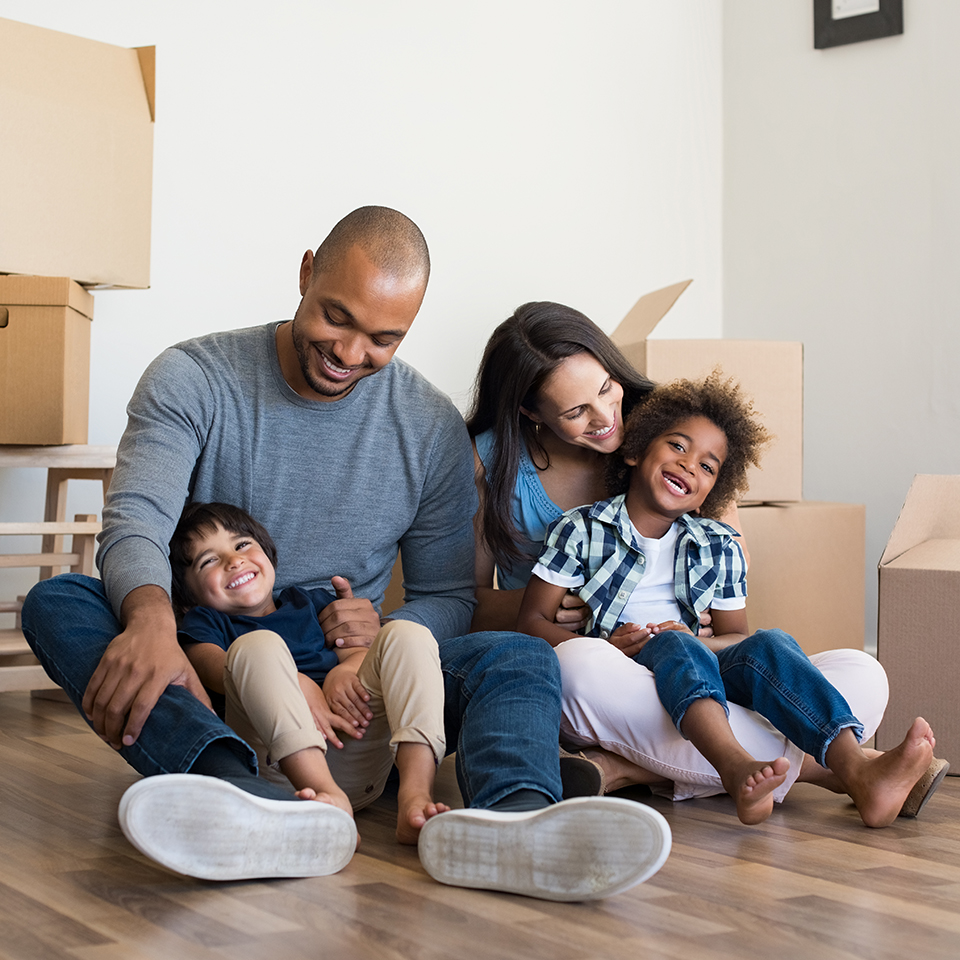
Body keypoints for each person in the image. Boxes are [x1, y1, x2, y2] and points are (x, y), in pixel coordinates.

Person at [21, 207, 671, 900]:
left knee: (517, 655)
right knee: (61, 602)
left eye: (383, 338)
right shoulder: (193, 378)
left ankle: (514, 820)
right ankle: (230, 788)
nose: (351, 353)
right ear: (306, 273)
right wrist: (152, 622)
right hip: (215, 665)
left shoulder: (426, 427)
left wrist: (374, 644)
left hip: (360, 695)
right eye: (337, 317)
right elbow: (137, 521)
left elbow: (448, 594)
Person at [466, 301, 944, 818]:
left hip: (701, 665)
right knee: (582, 666)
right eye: (577, 411)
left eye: (606, 389)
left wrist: (699, 641)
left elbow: (734, 627)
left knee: (862, 673)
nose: (608, 419)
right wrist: (572, 620)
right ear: (532, 413)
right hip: (603, 669)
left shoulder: (682, 439)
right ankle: (831, 770)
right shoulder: (557, 512)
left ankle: (624, 768)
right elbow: (471, 604)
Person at [168, 500, 449, 853]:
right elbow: (216, 671)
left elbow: (356, 652)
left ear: (268, 554)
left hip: (355, 740)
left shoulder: (309, 602)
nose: (233, 560)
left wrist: (343, 673)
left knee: (407, 634)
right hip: (282, 767)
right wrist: (298, 684)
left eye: (242, 545)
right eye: (209, 560)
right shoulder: (204, 624)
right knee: (256, 646)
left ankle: (415, 793)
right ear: (188, 596)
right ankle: (324, 794)